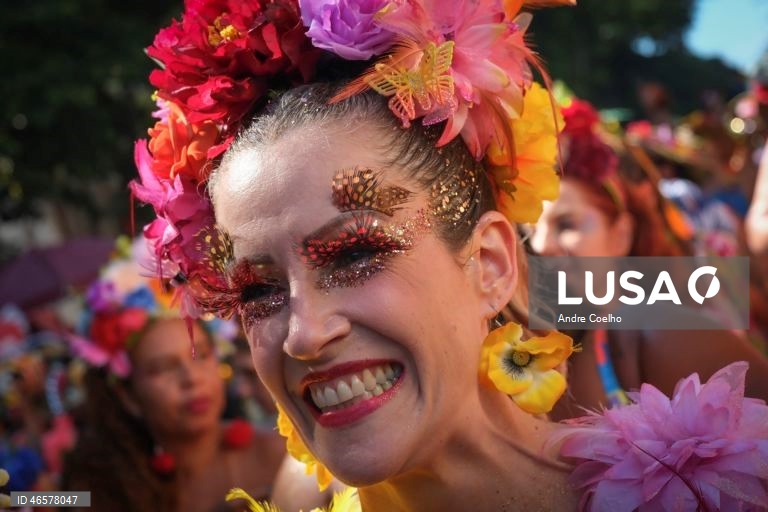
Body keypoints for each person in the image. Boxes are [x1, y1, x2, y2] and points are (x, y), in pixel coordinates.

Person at [130, 1, 768, 510]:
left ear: (492, 263)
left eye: (353, 253)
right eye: (258, 291)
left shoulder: (706, 464)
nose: (303, 334)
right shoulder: (304, 494)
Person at [527, 98, 768, 417]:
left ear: (621, 234)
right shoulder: (534, 348)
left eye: (566, 224)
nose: (541, 245)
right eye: (530, 229)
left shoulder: (661, 333)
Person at [61, 244, 285, 512]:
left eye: (201, 355)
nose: (191, 378)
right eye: (162, 368)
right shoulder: (101, 487)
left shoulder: (283, 458)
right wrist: (27, 498)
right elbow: (37, 500)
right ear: (128, 395)